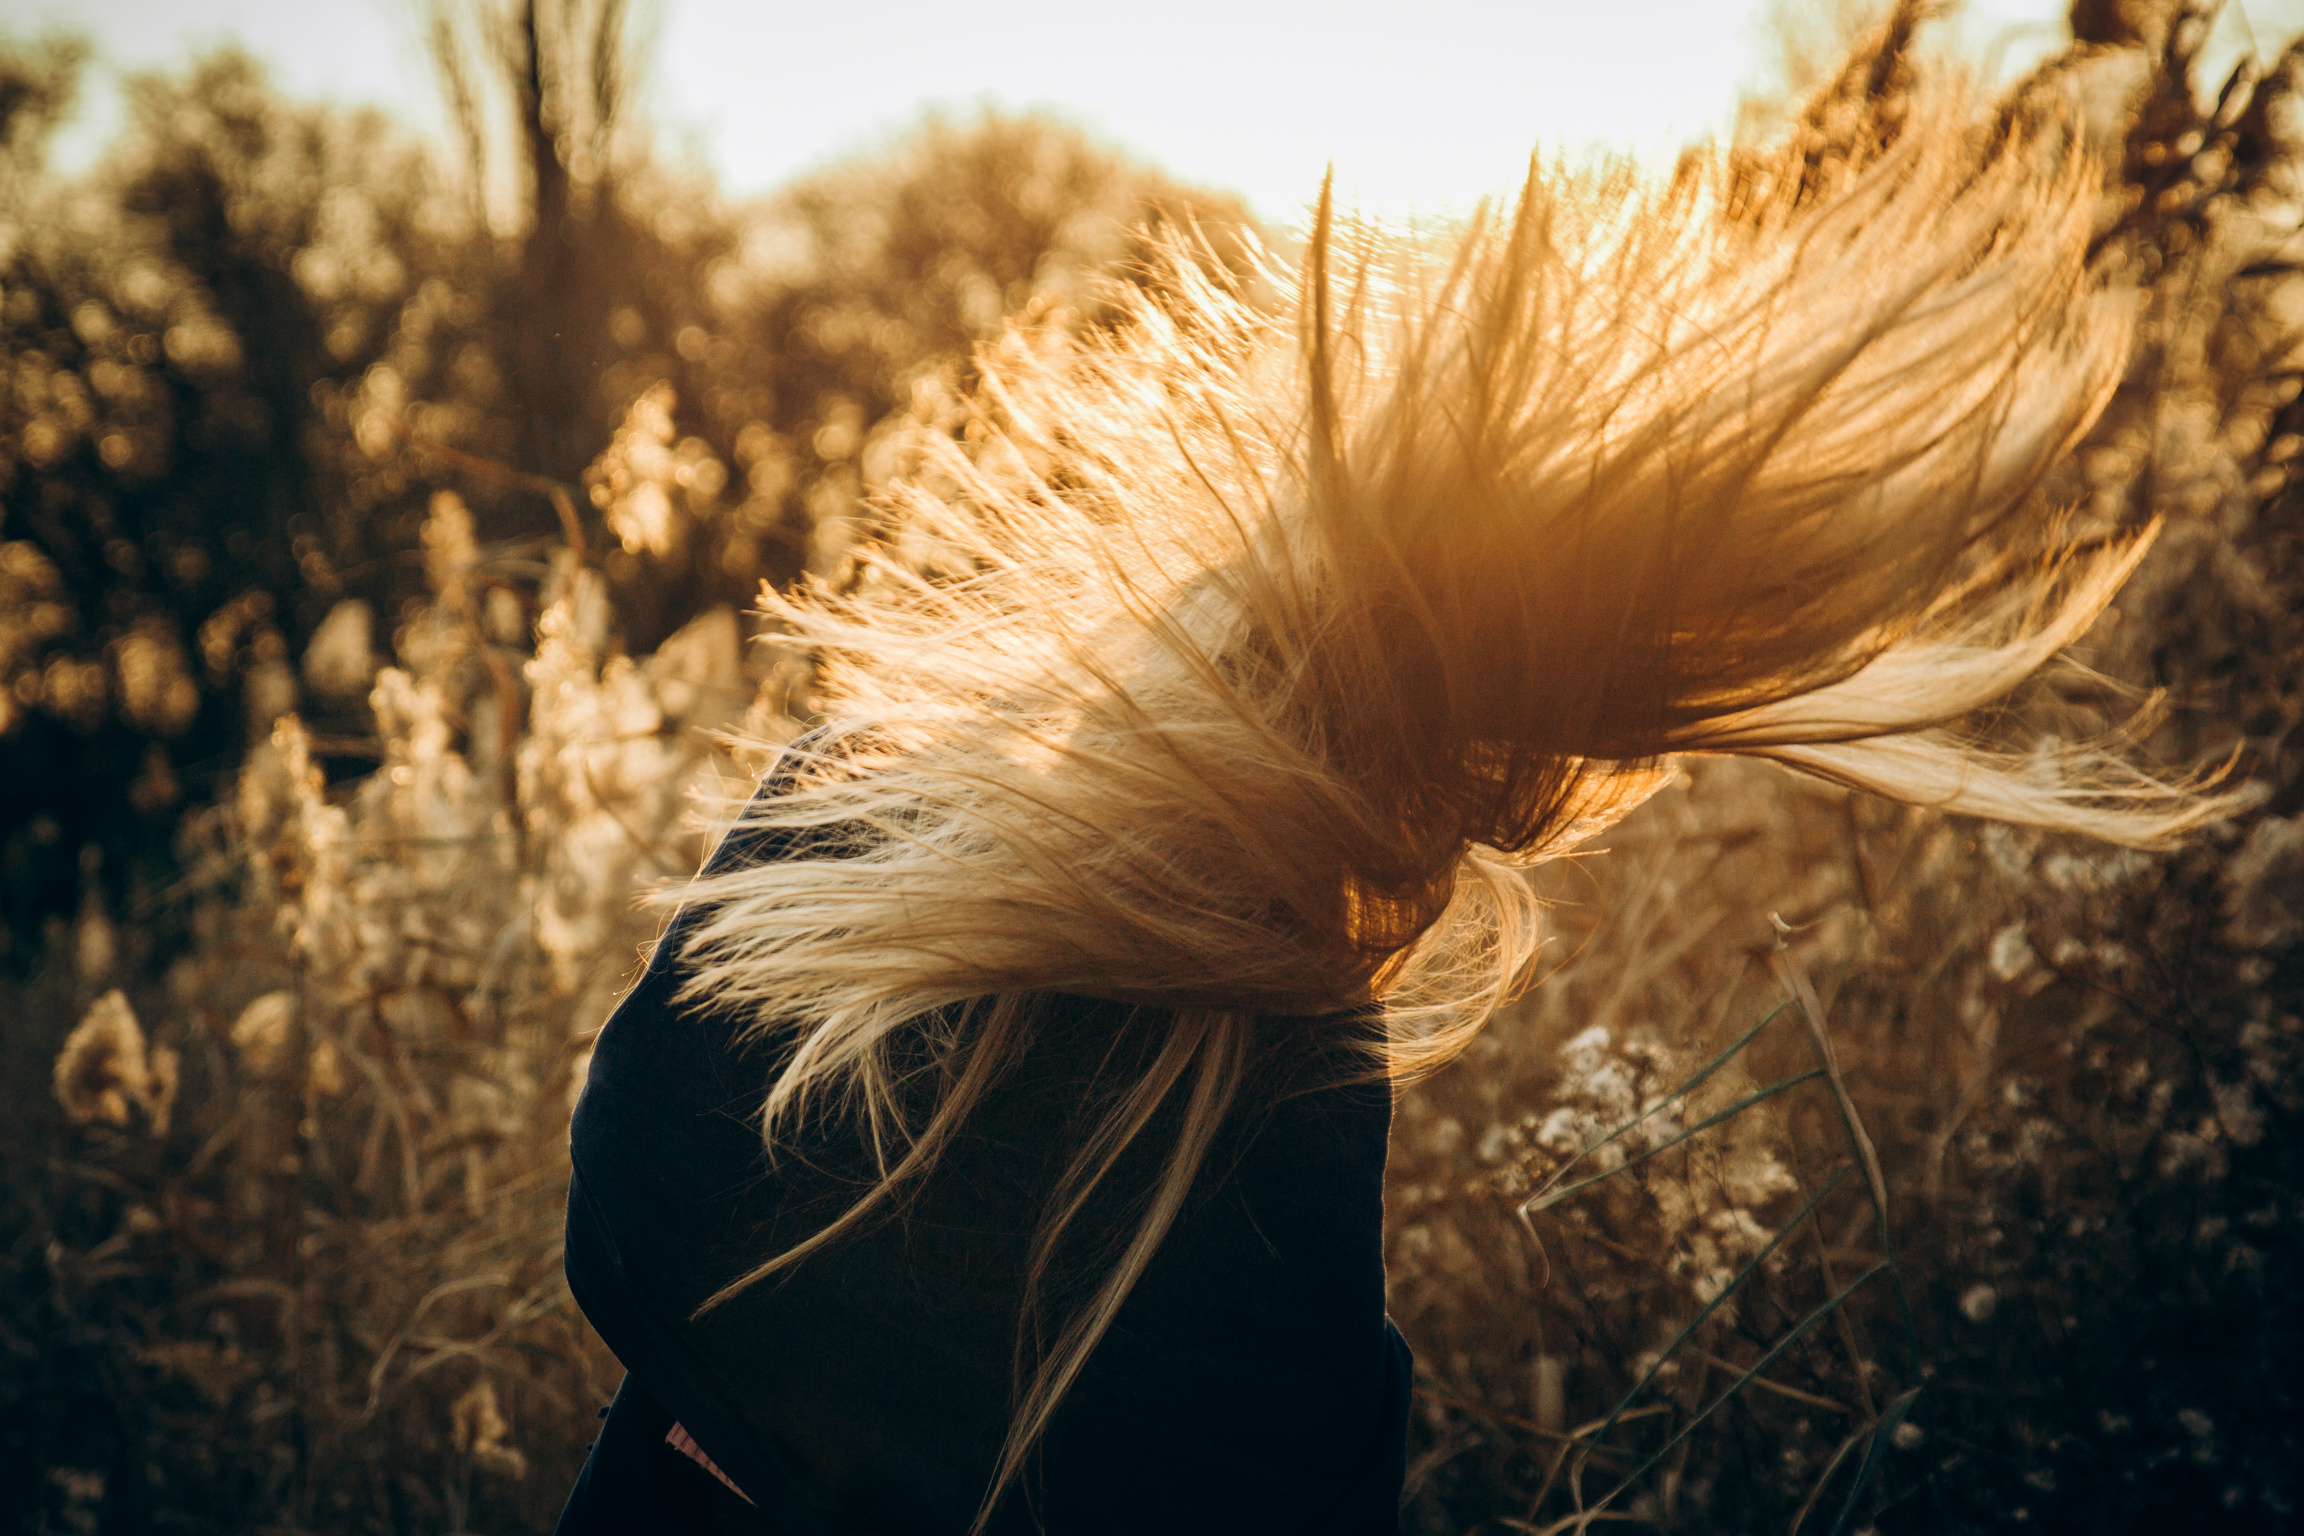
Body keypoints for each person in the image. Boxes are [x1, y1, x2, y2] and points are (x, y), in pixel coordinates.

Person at [553, 102, 2223, 1535]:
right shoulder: (1264, 1063)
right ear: (1484, 761)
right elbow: (1268, 1491)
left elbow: (624, 1211)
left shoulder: (890, 777)